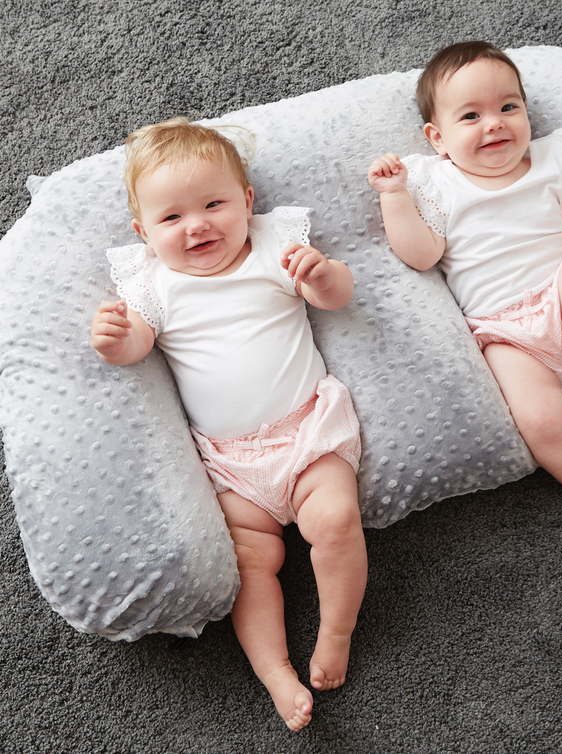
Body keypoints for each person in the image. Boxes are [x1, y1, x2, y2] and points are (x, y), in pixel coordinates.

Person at [90, 117, 366, 731]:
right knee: (250, 561)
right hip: (231, 461)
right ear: (144, 232)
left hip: (307, 433)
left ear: (246, 202)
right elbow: (138, 344)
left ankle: (337, 630)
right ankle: (274, 671)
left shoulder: (275, 248)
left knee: (338, 521)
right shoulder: (153, 284)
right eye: (171, 219)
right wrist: (115, 341)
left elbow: (338, 294)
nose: (198, 226)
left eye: (214, 204)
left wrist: (321, 276)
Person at [368, 41, 562, 535]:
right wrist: (394, 198)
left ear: (527, 113)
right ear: (438, 138)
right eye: (471, 116)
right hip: (507, 335)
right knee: (539, 418)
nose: (495, 123)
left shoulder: (552, 163)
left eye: (508, 107)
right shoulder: (438, 183)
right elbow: (420, 254)